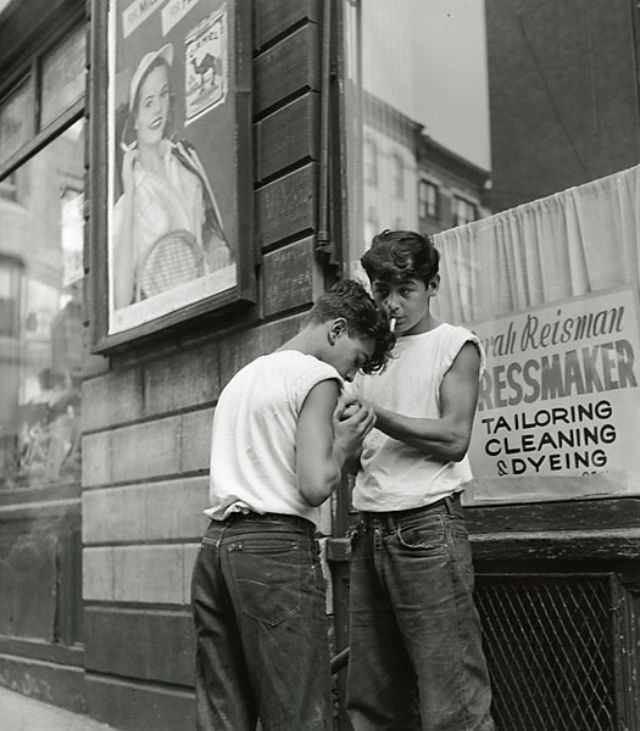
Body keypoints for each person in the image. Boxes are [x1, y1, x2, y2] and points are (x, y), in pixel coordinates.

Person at [191, 279, 395, 731]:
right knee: (300, 708)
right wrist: (344, 444)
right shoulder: (317, 378)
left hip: (216, 549)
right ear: (336, 329)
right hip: (275, 552)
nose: (351, 376)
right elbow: (315, 485)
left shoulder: (244, 377)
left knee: (224, 710)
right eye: (357, 360)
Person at [346, 230, 495, 731]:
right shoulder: (367, 355)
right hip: (370, 528)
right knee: (371, 697)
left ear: (432, 285)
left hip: (427, 528)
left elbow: (455, 438)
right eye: (381, 291)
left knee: (450, 695)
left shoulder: (455, 344)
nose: (392, 304)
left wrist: (377, 415)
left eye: (404, 290)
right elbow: (357, 459)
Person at [112, 43, 231, 309]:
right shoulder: (126, 206)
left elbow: (206, 227)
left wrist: (216, 246)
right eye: (148, 102)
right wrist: (129, 192)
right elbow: (120, 301)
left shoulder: (186, 164)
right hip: (169, 320)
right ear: (134, 120)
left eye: (163, 95)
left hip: (210, 303)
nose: (157, 111)